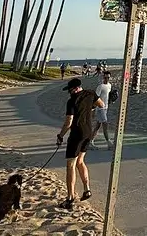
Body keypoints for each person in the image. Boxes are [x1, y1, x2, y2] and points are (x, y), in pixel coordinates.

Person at [56, 77, 101, 209]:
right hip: (88, 132)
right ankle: (87, 189)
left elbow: (69, 122)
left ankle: (70, 198)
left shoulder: (71, 101)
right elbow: (101, 104)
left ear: (75, 89)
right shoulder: (91, 94)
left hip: (76, 134)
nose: (69, 93)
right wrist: (89, 107)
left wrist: (60, 135)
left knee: (71, 165)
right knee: (80, 161)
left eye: (70, 90)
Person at [92, 71, 114, 149]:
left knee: (98, 126)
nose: (107, 79)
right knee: (105, 124)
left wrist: (111, 100)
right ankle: (109, 142)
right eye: (105, 77)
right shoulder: (100, 86)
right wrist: (93, 109)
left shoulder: (109, 85)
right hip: (100, 108)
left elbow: (108, 96)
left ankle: (90, 141)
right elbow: (95, 98)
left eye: (108, 77)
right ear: (103, 77)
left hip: (106, 108)